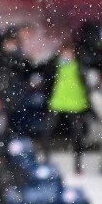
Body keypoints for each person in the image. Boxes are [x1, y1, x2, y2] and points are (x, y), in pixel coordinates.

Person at [38, 44, 89, 173]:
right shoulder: (53, 65)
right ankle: (46, 159)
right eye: (64, 52)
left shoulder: (80, 65)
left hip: (76, 103)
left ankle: (78, 164)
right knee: (47, 130)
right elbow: (45, 75)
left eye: (69, 52)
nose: (67, 55)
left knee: (77, 135)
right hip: (56, 102)